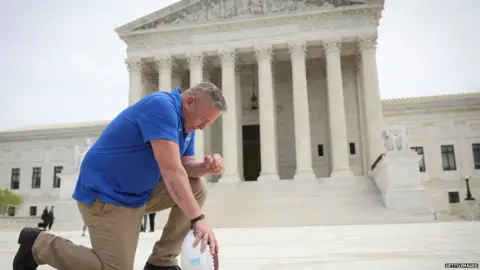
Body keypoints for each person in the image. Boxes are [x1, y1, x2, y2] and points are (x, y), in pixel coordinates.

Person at [13, 82, 227, 270]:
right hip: (106, 195)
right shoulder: (162, 107)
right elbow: (171, 170)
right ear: (189, 101)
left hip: (138, 194)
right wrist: (198, 218)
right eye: (203, 119)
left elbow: (185, 166)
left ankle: (161, 262)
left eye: (208, 123)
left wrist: (204, 167)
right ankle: (38, 244)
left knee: (197, 187)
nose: (202, 127)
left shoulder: (186, 126)